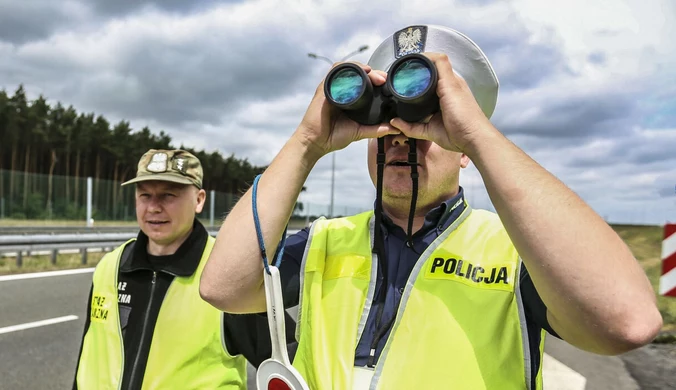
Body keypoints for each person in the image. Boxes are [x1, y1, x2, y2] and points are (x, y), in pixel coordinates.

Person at [199, 25, 663, 390]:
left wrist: (480, 137)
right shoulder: (324, 241)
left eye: (426, 122)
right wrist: (305, 142)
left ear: (462, 146)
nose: (403, 137)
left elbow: (625, 322)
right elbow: (224, 286)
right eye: (390, 126)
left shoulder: (513, 253)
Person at [72, 148, 297, 389]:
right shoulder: (111, 265)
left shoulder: (226, 273)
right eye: (145, 195)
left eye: (168, 195)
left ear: (199, 200)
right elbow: (90, 356)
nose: (154, 207)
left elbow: (293, 367)